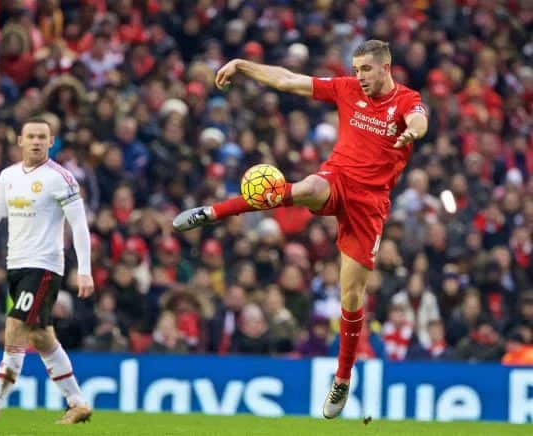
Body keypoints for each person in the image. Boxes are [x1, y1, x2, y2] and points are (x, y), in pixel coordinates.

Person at [173, 40, 428, 419]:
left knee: (352, 297)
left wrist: (412, 132)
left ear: (385, 67)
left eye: (366, 70)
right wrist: (243, 64)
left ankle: (342, 378)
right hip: (337, 178)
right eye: (356, 69)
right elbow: (289, 79)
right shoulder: (346, 89)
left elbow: (420, 119)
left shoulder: (406, 100)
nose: (359, 76)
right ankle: (213, 211)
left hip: (369, 205)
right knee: (306, 187)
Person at [0, 119, 95, 424]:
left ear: (51, 141)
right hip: (15, 265)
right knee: (42, 337)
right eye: (30, 136)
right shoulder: (8, 176)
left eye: (42, 137)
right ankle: (78, 402)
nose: (36, 142)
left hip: (44, 266)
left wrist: (85, 270)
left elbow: (79, 225)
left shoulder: (62, 178)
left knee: (15, 324)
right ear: (19, 140)